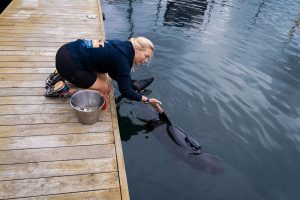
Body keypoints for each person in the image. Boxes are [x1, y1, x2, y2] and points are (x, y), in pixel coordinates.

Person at [46, 37, 162, 112]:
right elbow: (125, 91)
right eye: (146, 56)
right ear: (137, 48)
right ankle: (63, 90)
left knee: (103, 75)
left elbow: (111, 72)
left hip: (66, 50)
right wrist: (147, 100)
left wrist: (128, 82)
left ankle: (59, 74)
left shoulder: (122, 45)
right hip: (68, 64)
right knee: (104, 88)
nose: (146, 60)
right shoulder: (123, 60)